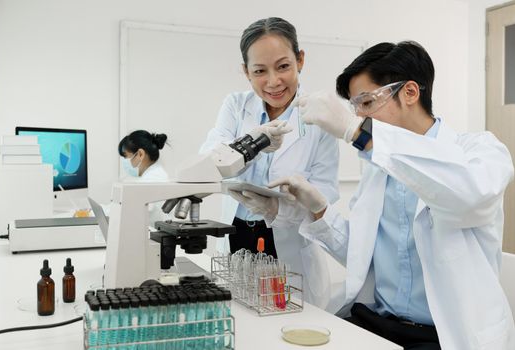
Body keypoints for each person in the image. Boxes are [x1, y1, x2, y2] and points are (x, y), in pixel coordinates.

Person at [233, 41, 515, 349]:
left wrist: (358, 132)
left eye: (366, 103)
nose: (359, 115)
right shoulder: (378, 167)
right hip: (377, 323)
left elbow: (466, 197)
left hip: (445, 333)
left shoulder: (480, 152)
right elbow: (361, 255)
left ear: (410, 92)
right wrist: (313, 209)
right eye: (355, 108)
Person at [199, 17, 339, 308]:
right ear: (246, 72)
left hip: (288, 242)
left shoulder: (319, 116)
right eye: (260, 71)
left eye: (283, 66)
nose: (273, 81)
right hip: (235, 235)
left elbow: (326, 193)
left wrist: (279, 208)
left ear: (300, 60)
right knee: (241, 316)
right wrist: (251, 143)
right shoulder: (236, 106)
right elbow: (211, 157)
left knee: (287, 319)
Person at [118, 130, 170, 225]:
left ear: (140, 154)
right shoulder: (152, 175)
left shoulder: (153, 179)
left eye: (126, 156)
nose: (124, 161)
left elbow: (131, 212)